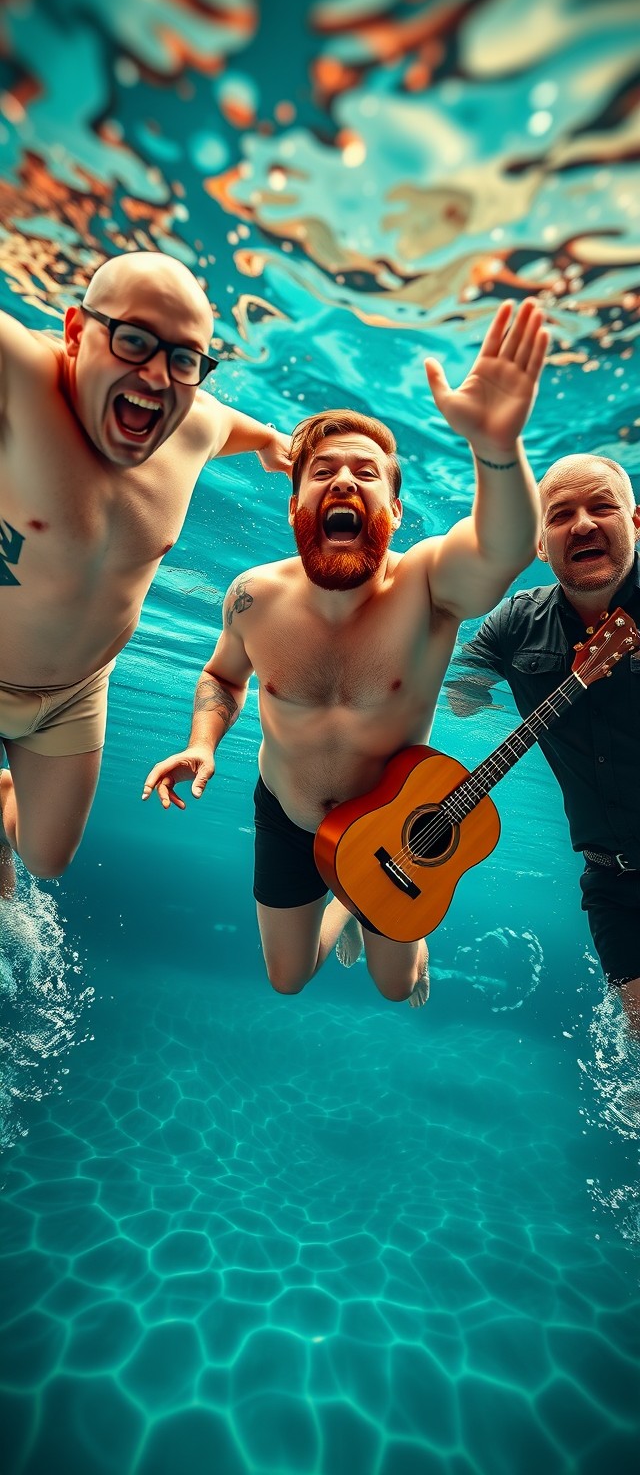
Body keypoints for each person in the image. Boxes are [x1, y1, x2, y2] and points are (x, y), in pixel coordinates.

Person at [142, 298, 546, 1007]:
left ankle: (370, 904)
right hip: (292, 820)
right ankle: (345, 904)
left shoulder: (427, 585)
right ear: (295, 504)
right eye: (323, 470)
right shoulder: (252, 596)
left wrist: (497, 448)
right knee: (288, 980)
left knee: (399, 987)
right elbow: (221, 675)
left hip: (395, 838)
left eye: (367, 473)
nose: (344, 481)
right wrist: (203, 742)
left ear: (392, 512)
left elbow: (504, 550)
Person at [0, 250, 291, 899]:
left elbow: (235, 428)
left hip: (74, 695)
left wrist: (279, 447)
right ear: (75, 331)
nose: (158, 376)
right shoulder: (20, 376)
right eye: (133, 340)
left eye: (185, 358)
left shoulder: (192, 425)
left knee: (46, 859)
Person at [446, 452, 640, 1030]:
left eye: (601, 507)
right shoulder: (512, 623)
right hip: (612, 880)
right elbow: (458, 693)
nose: (582, 524)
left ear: (635, 521)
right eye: (560, 515)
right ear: (538, 544)